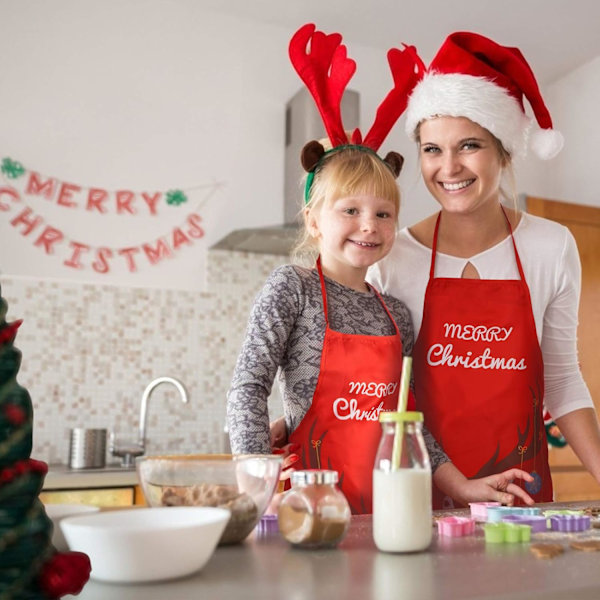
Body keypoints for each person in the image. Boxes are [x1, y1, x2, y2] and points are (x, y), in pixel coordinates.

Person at [228, 24, 535, 514]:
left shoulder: (394, 313)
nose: (368, 226)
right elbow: (248, 387)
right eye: (350, 211)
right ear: (313, 218)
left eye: (383, 214)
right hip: (309, 509)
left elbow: (408, 421)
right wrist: (252, 470)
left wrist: (463, 486)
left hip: (388, 511)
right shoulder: (292, 288)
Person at [368, 31, 600, 509]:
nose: (448, 167)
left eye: (468, 145)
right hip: (414, 500)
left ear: (504, 151)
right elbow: (378, 392)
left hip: (521, 498)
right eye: (431, 149)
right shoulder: (391, 257)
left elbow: (561, 378)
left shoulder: (551, 247)